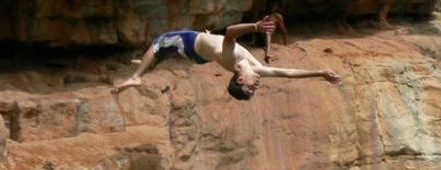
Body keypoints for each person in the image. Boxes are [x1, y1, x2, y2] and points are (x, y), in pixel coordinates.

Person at [113, 19, 340, 100]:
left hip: (190, 42)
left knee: (160, 42)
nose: (256, 87)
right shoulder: (257, 69)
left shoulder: (232, 58)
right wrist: (320, 73)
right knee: (162, 53)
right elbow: (288, 74)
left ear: (240, 80)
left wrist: (255, 27)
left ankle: (136, 77)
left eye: (250, 89)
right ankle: (147, 65)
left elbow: (230, 32)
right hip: (200, 56)